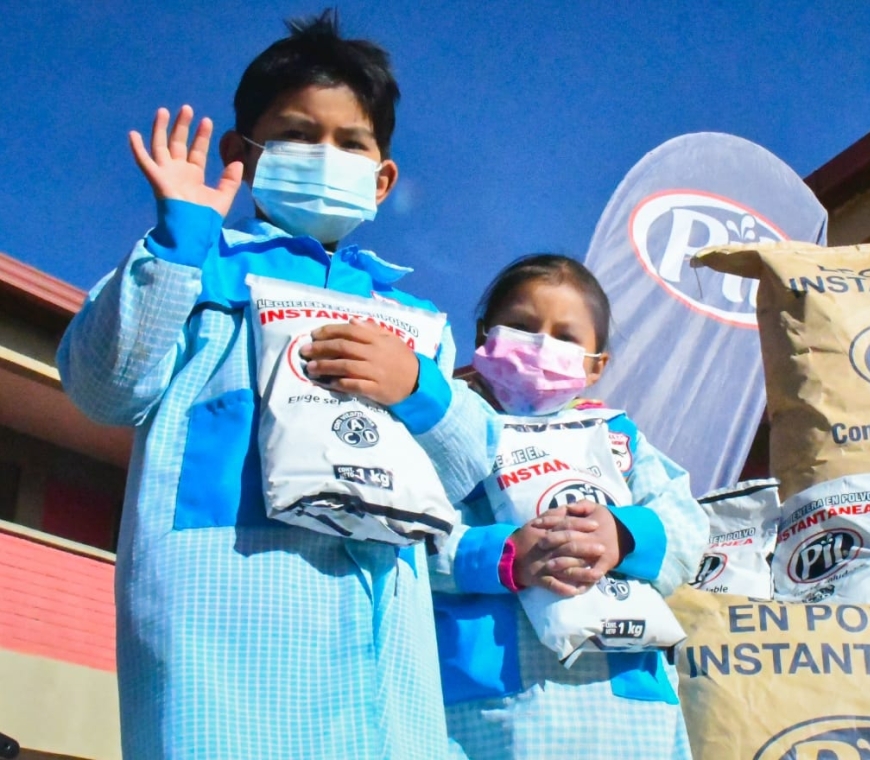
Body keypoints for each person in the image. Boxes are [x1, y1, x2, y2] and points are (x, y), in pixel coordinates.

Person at [57, 12, 492, 759]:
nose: (325, 155)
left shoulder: (413, 321)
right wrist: (179, 241)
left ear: (383, 179)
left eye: (351, 142)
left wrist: (417, 383)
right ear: (242, 153)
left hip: (386, 676)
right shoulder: (190, 273)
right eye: (296, 134)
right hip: (223, 652)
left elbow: (468, 465)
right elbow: (104, 388)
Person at [407, 254, 705, 759]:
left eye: (566, 337)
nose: (542, 345)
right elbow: (407, 540)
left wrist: (624, 535)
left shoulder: (618, 437)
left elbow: (687, 527)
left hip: (626, 712)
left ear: (597, 365)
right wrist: (501, 557)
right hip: (492, 715)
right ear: (484, 336)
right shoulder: (448, 430)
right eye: (522, 327)